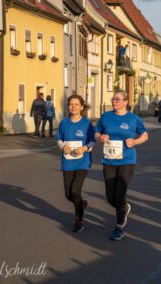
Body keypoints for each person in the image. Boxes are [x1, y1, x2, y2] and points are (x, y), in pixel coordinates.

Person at [95, 90, 149, 240]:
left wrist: (135, 141)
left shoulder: (133, 118)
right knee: (110, 196)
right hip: (109, 160)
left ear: (126, 102)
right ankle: (124, 207)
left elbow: (145, 135)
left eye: (117, 99)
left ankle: (118, 227)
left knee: (119, 193)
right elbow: (96, 132)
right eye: (113, 99)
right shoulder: (106, 116)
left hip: (127, 160)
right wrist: (101, 137)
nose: (114, 102)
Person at [56, 94, 95, 232]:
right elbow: (59, 138)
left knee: (75, 190)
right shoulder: (64, 123)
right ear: (68, 107)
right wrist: (63, 147)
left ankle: (79, 219)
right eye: (71, 104)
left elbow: (92, 141)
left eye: (76, 104)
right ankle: (82, 204)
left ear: (81, 107)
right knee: (68, 194)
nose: (73, 106)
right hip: (67, 161)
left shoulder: (86, 124)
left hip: (83, 161)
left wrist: (84, 148)